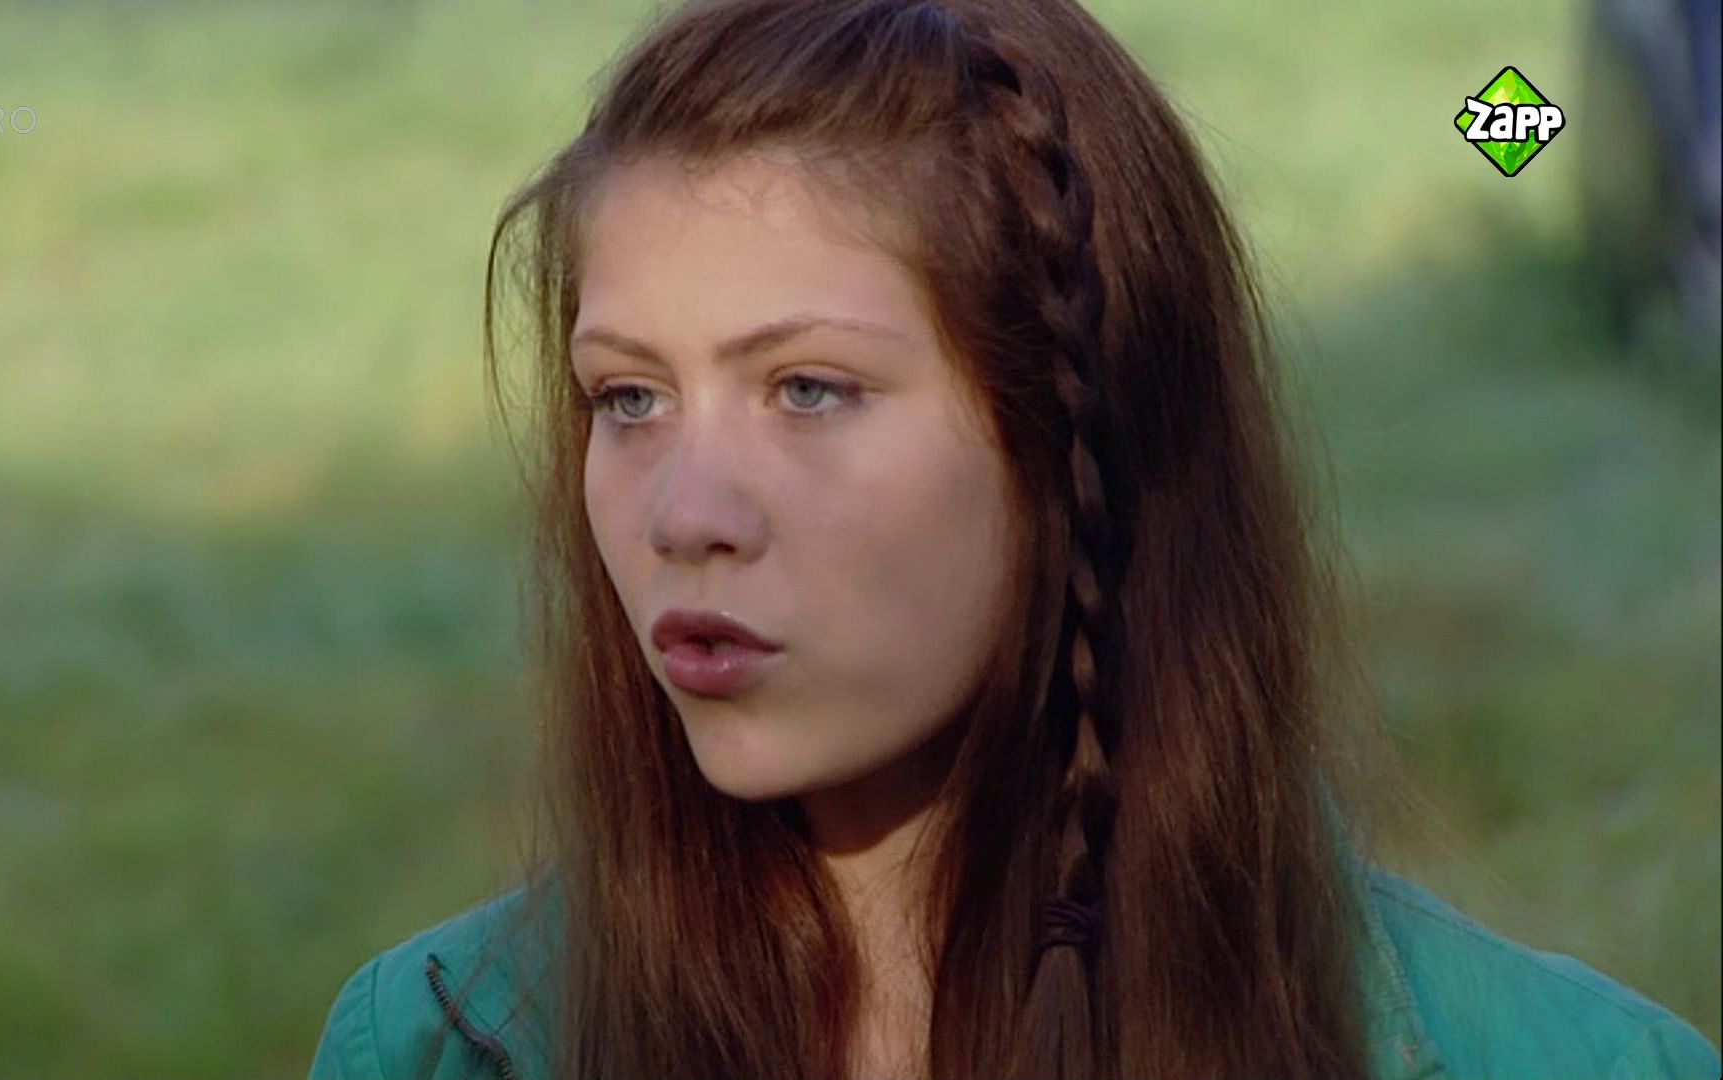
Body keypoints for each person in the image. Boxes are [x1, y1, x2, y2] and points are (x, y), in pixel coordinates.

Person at [309, 0, 1722, 1076]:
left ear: (1076, 435)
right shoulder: (429, 1047)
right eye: (629, 398)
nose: (684, 515)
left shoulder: (1573, 1063)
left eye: (809, 390)